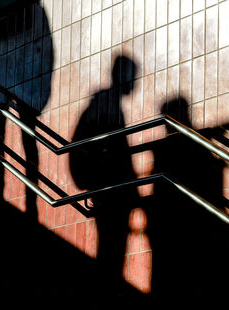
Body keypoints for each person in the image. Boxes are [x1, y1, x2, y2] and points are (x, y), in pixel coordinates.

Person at [146, 98, 229, 298]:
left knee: (179, 280)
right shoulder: (195, 143)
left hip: (178, 225)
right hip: (189, 222)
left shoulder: (169, 149)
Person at [69, 55, 140, 293]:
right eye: (132, 76)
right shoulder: (106, 103)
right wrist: (131, 185)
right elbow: (115, 148)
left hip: (106, 187)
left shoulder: (105, 102)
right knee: (112, 247)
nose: (134, 82)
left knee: (109, 247)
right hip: (108, 188)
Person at [0, 0, 53, 220]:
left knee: (5, 136)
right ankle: (22, 198)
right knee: (13, 136)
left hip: (17, 79)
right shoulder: (29, 9)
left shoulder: (23, 9)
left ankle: (11, 194)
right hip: (18, 79)